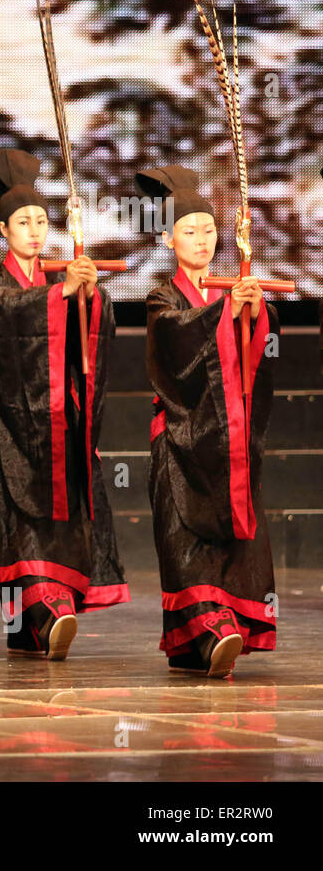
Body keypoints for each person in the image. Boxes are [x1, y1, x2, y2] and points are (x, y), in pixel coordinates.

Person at [0, 149, 127, 659]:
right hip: (17, 422)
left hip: (62, 419)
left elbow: (93, 335)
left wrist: (87, 299)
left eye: (41, 220)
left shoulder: (62, 278)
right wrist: (61, 298)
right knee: (21, 517)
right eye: (23, 222)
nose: (35, 230)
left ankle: (43, 614)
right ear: (3, 230)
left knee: (59, 516)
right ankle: (41, 612)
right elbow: (1, 316)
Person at [140, 165, 276, 677]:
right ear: (169, 238)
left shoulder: (230, 292)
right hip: (179, 438)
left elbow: (256, 354)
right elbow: (177, 341)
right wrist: (226, 316)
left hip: (226, 441)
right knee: (185, 535)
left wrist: (252, 314)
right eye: (189, 231)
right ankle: (206, 628)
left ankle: (208, 633)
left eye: (208, 230)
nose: (200, 240)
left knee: (232, 533)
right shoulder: (162, 298)